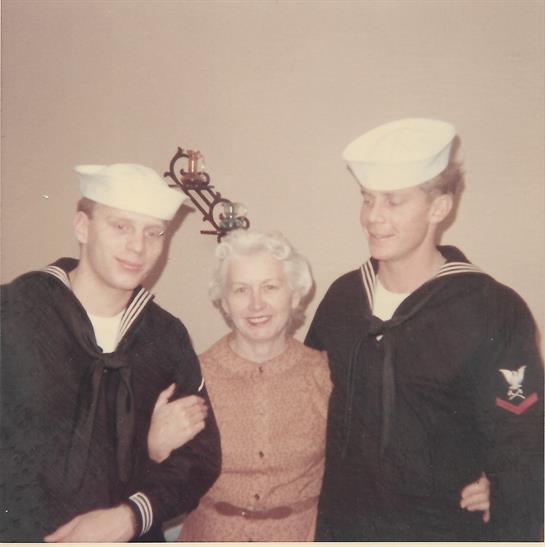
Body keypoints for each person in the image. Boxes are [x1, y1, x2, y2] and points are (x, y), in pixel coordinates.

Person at [149, 229, 491, 541]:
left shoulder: (328, 374)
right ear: (224, 302)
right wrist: (152, 450)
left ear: (295, 296)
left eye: (271, 287)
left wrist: (483, 474)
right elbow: (136, 477)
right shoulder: (193, 377)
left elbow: (402, 440)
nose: (256, 304)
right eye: (241, 290)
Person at [305, 118, 544, 541]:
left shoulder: (491, 309)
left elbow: (523, 436)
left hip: (445, 528)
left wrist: (507, 489)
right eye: (367, 199)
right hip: (348, 526)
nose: (372, 217)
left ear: (439, 208)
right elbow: (304, 397)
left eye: (393, 201)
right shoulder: (343, 300)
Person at [0, 163, 221, 542]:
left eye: (155, 232)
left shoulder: (165, 336)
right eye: (121, 226)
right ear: (82, 227)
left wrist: (128, 518)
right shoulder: (15, 313)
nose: (139, 247)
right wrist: (146, 448)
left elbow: (200, 459)